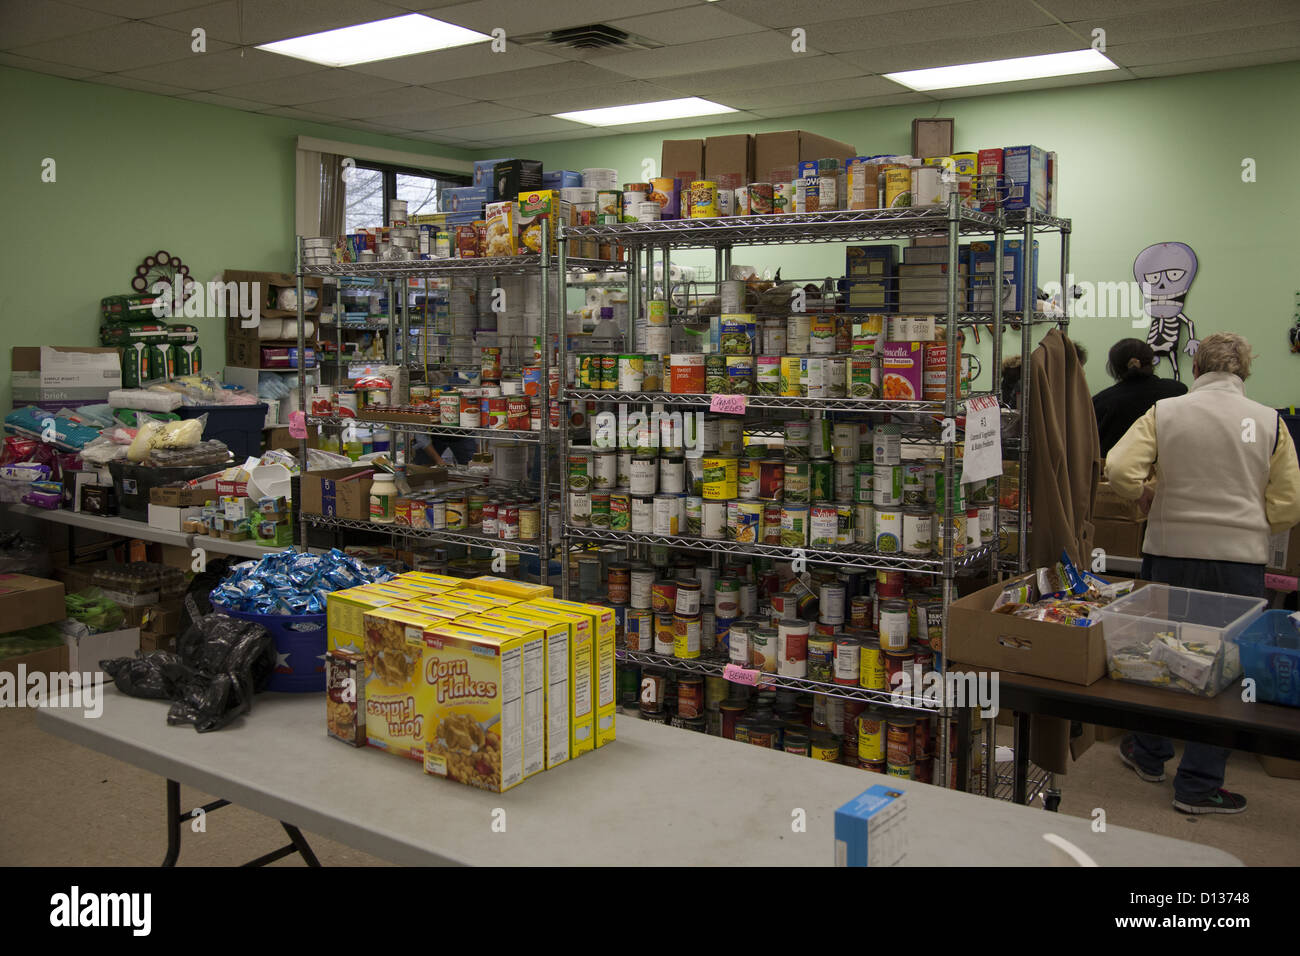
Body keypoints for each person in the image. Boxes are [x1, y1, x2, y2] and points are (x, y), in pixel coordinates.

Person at [1105, 332, 1300, 814]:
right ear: (1244, 373)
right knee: (1225, 670)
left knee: (1157, 653)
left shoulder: (1166, 412)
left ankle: (1148, 754)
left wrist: (1145, 497)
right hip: (1238, 563)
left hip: (1170, 552)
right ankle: (1198, 785)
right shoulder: (1268, 421)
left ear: (1196, 371)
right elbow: (1290, 503)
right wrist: (1256, 524)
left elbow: (1119, 468)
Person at [1092, 338, 1187, 457]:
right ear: (1151, 361)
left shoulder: (1100, 402)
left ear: (1114, 368)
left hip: (1116, 473)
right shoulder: (1178, 391)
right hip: (1169, 471)